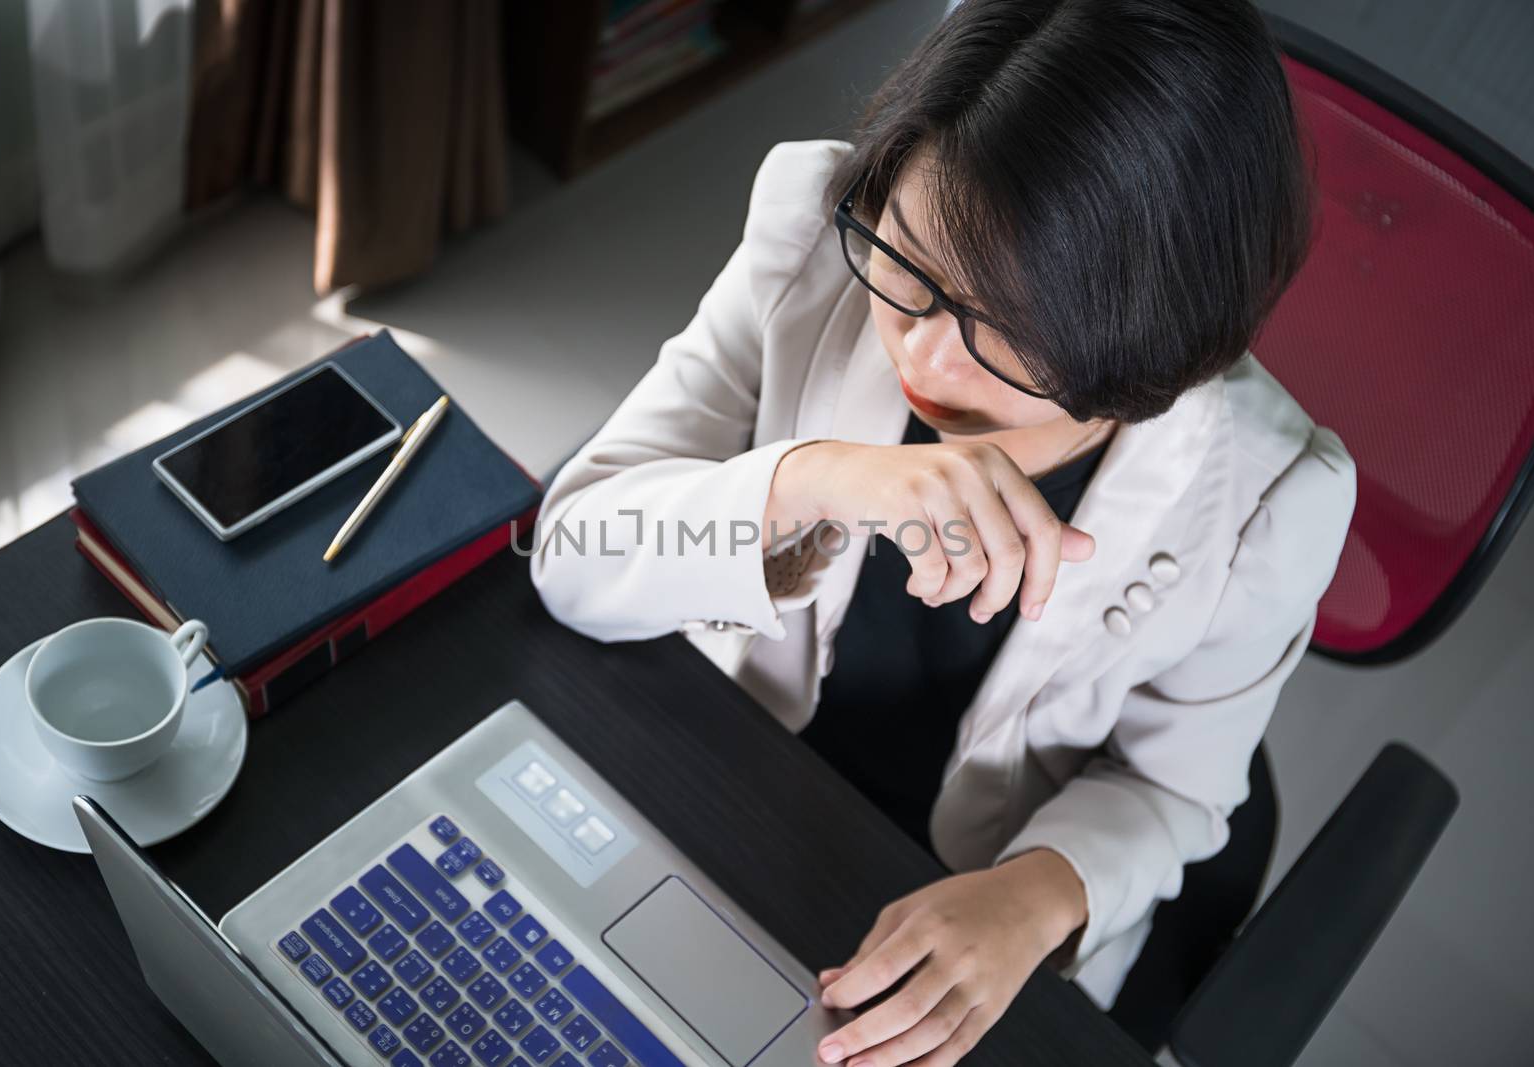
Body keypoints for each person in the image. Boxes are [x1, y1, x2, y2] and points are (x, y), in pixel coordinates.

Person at [530, 0, 1357, 1062]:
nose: (923, 362)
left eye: (1002, 331)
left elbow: (1173, 789)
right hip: (727, 772)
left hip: (967, 910)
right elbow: (572, 551)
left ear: (1152, 337)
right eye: (907, 272)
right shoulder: (814, 244)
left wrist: (1029, 897)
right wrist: (813, 480)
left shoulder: (1267, 493)